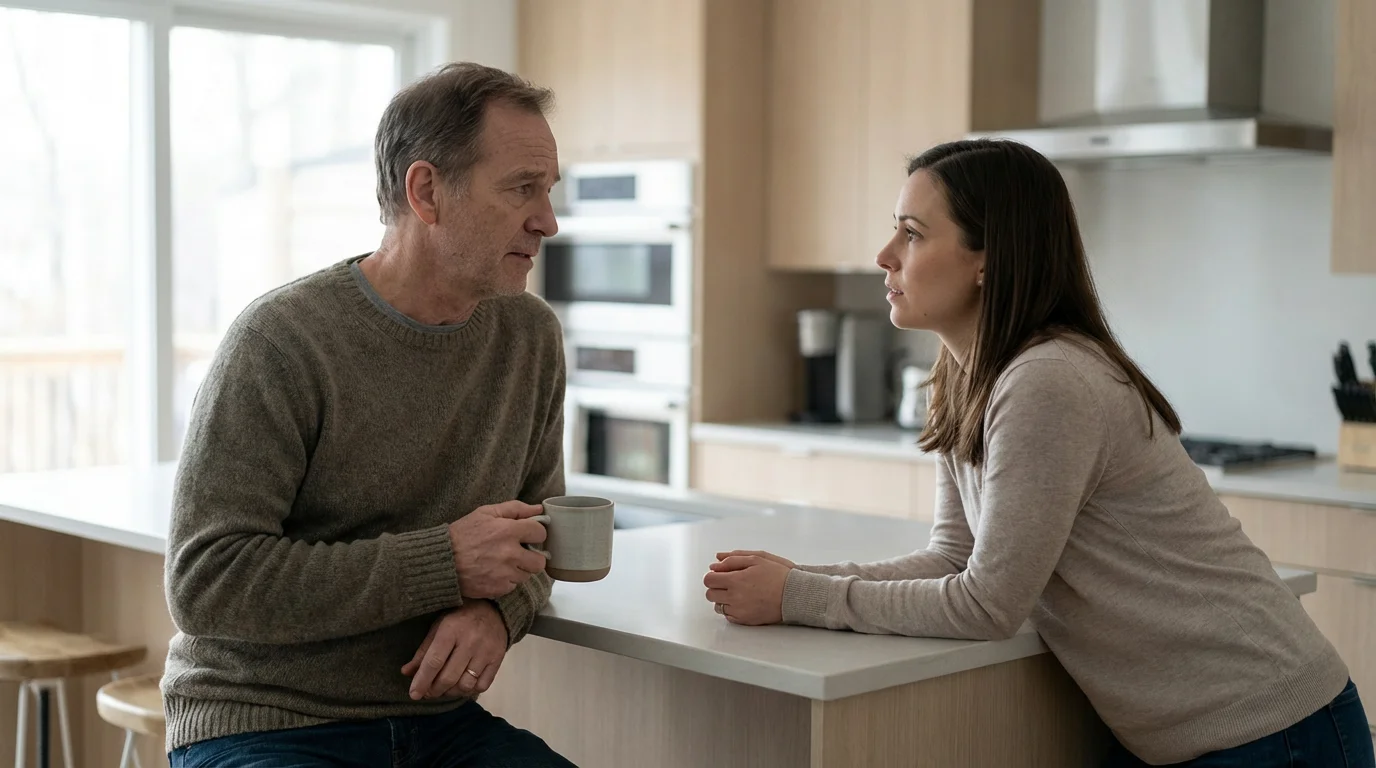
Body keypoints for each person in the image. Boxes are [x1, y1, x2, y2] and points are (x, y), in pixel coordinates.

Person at [703, 139, 1375, 768]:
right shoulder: (964, 373)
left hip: (1274, 733)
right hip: (1203, 736)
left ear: (986, 257)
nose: (885, 254)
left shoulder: (1048, 380)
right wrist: (798, 578)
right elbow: (954, 558)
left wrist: (800, 596)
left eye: (912, 233)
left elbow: (987, 605)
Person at [162, 62, 577, 767]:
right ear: (427, 192)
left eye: (547, 190)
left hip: (439, 728)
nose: (548, 220)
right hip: (263, 720)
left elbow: (541, 531)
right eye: (521, 188)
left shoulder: (529, 337)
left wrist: (496, 614)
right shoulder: (281, 340)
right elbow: (208, 580)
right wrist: (444, 563)